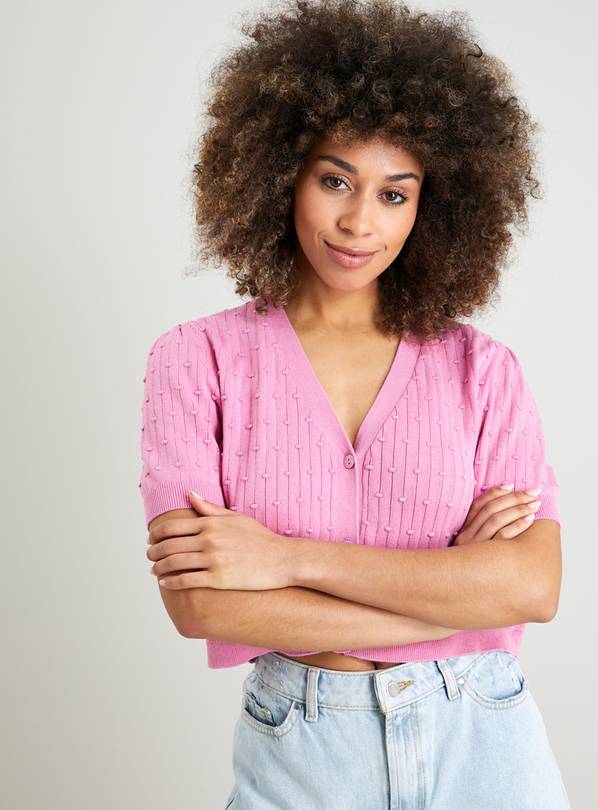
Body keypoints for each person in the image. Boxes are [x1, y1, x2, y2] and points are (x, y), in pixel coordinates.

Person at [139, 1, 570, 806]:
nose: (358, 222)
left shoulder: (483, 370)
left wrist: (284, 561)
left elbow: (532, 588)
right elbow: (200, 604)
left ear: (433, 208)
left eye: (394, 194)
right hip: (303, 751)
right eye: (335, 179)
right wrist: (456, 598)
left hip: (483, 736)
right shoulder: (196, 361)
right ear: (280, 173)